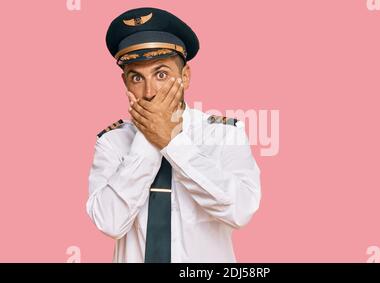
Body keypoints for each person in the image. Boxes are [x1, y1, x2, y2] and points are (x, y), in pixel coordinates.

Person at [86, 7, 261, 263]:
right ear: (125, 82)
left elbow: (240, 211)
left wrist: (172, 143)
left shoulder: (224, 135)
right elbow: (110, 223)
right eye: (137, 77)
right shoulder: (111, 142)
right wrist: (147, 140)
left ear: (185, 76)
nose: (149, 92)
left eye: (161, 74)